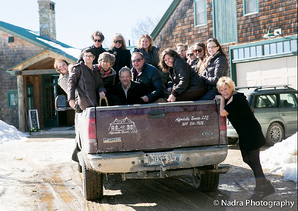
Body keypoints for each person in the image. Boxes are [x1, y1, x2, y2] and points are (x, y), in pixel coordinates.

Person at [215, 77, 275, 200]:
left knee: (254, 161)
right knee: (247, 159)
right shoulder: (230, 99)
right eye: (221, 90)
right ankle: (266, 184)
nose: (224, 92)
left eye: (225, 89)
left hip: (252, 132)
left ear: (231, 87)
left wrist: (220, 99)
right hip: (244, 134)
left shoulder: (237, 98)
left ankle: (260, 190)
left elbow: (222, 113)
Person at [68, 48, 106, 112]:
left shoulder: (96, 70)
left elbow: (100, 85)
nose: (88, 58)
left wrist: (101, 91)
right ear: (83, 57)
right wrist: (71, 98)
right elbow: (71, 83)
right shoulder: (78, 68)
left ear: (93, 57)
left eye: (90, 56)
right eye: (86, 56)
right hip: (84, 105)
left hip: (96, 104)